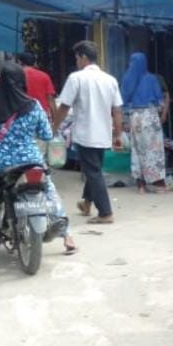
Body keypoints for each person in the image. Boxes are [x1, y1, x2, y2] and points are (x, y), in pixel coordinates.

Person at [0, 64, 75, 265]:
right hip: (31, 161)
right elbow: (46, 134)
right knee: (50, 193)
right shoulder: (33, 105)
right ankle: (68, 238)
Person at [57, 40, 123, 225]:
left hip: (85, 133)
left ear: (83, 57)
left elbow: (64, 106)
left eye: (77, 57)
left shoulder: (76, 78)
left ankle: (105, 212)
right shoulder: (110, 79)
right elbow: (117, 110)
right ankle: (86, 203)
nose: (76, 61)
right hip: (103, 133)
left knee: (93, 172)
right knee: (93, 170)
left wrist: (54, 127)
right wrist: (118, 134)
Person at [120, 53, 168, 193]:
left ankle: (141, 185)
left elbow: (123, 101)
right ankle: (159, 184)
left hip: (135, 117)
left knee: (137, 150)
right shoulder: (152, 79)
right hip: (150, 116)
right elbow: (160, 101)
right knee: (154, 150)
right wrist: (160, 111)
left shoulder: (127, 79)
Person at [17, 52, 56, 117]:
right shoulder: (44, 76)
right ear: (34, 63)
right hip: (41, 115)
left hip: (22, 116)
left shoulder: (15, 76)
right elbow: (51, 99)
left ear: (20, 62)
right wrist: (55, 119)